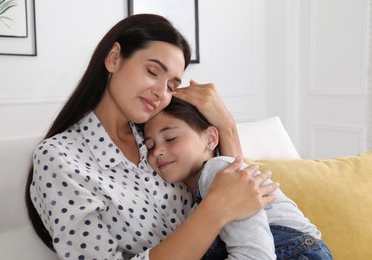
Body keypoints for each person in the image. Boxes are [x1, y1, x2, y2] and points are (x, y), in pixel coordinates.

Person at [25, 14, 279, 259]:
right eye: (152, 72)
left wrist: (227, 126)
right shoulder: (59, 157)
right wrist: (217, 208)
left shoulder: (162, 136)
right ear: (114, 58)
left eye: (171, 86)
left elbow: (237, 190)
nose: (161, 92)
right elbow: (226, 199)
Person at [143, 97, 333, 260]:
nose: (157, 151)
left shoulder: (219, 170)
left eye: (170, 138)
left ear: (210, 139)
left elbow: (258, 256)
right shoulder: (195, 204)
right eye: (150, 146)